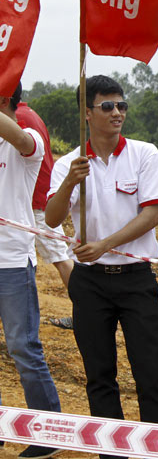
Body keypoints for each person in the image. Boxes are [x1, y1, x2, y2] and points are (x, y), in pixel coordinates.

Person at [46, 76, 158, 459]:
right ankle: (111, 454)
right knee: (100, 377)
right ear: (87, 113)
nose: (117, 113)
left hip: (136, 280)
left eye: (121, 106)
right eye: (107, 106)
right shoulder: (69, 163)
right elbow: (52, 218)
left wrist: (104, 244)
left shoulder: (144, 154)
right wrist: (70, 181)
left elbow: (151, 215)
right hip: (90, 284)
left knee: (151, 372)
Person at [0, 83, 62, 459]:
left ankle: (49, 430)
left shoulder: (27, 139)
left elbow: (19, 139)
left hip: (11, 260)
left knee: (23, 347)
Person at [15, 91, 75, 330]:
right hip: (38, 194)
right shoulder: (29, 113)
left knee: (59, 257)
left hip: (34, 199)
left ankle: (84, 311)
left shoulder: (17, 118)